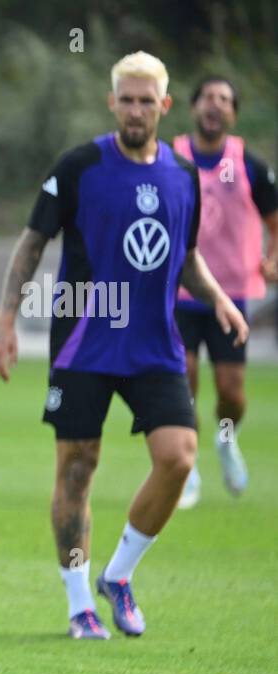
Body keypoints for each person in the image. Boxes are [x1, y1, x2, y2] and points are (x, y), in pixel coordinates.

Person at [0, 52, 247, 640]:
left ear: (164, 105)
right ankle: (80, 603)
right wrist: (7, 319)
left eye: (144, 100)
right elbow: (32, 243)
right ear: (113, 103)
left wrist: (219, 300)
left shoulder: (183, 176)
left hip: (155, 342)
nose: (135, 110)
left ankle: (119, 574)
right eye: (124, 100)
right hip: (85, 340)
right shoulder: (80, 166)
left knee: (180, 457)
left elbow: (183, 257)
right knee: (78, 469)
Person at [171, 75, 278, 507]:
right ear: (193, 106)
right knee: (185, 380)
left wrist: (274, 257)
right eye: (207, 97)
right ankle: (187, 462)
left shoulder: (249, 165)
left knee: (231, 393)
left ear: (233, 113)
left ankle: (224, 439)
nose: (214, 105)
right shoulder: (170, 158)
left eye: (224, 99)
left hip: (232, 294)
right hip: (179, 292)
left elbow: (275, 220)